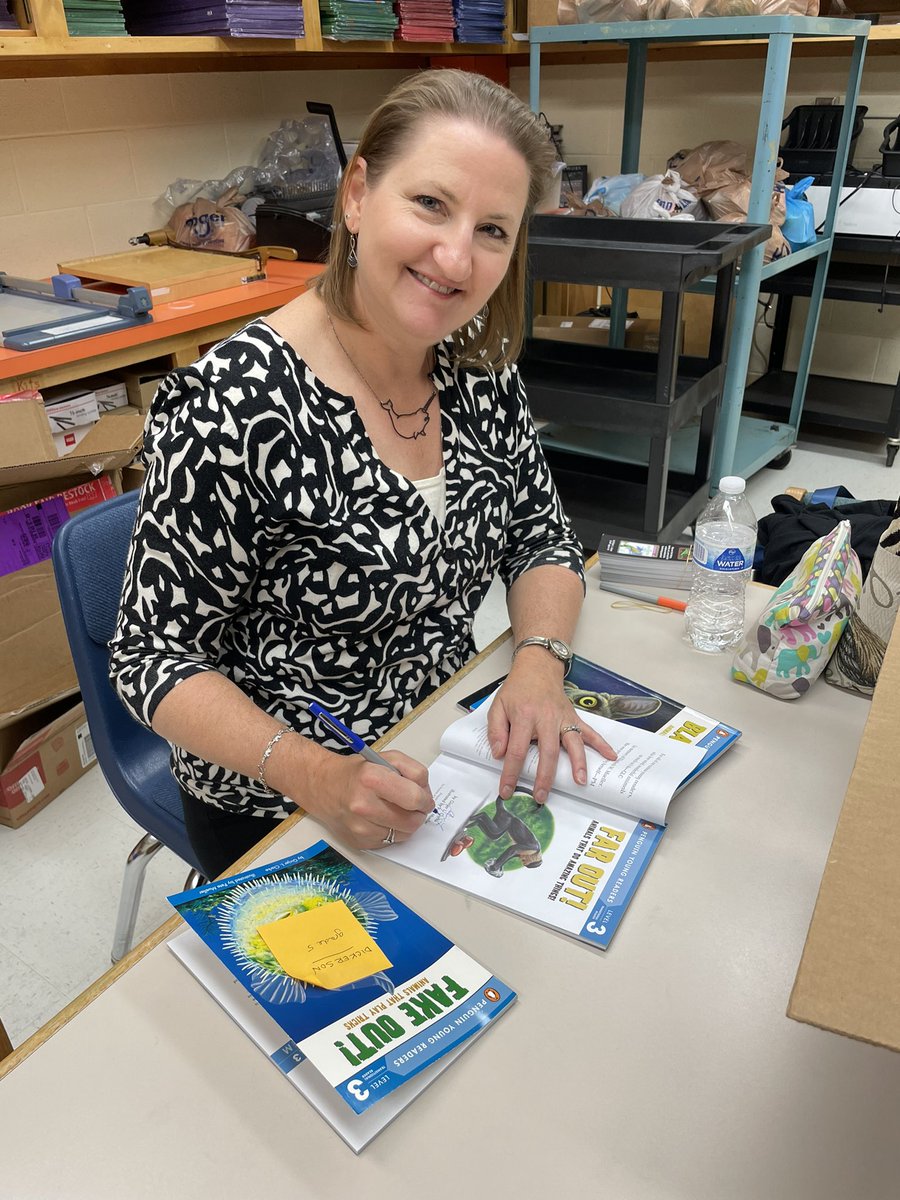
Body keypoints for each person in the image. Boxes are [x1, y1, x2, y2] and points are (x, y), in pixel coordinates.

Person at [109, 69, 614, 881]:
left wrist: (538, 662)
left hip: (442, 754)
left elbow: (541, 539)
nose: (457, 256)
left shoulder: (477, 368)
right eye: (431, 204)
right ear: (356, 194)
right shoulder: (233, 404)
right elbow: (151, 659)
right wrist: (314, 773)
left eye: (493, 229)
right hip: (277, 802)